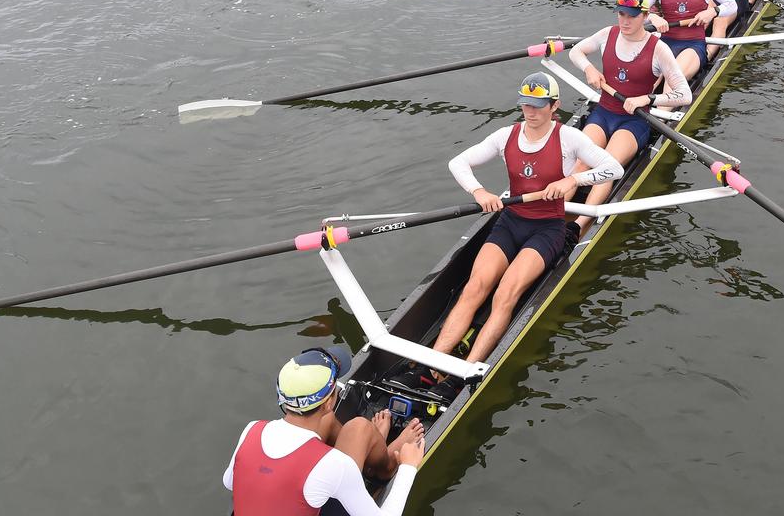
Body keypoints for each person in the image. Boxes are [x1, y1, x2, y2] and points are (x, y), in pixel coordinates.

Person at [392, 72, 624, 401]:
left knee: (505, 293)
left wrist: (575, 181)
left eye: (538, 105)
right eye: (525, 104)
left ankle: (462, 376)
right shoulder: (505, 135)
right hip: (510, 221)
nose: (529, 111)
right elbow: (458, 162)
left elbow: (615, 169)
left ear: (554, 106)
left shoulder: (570, 138)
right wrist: (479, 191)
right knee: (475, 287)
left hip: (549, 228)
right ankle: (430, 370)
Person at [224, 346, 425, 516]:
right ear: (330, 402)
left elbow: (230, 483)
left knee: (350, 426)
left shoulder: (252, 429)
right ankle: (388, 463)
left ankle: (373, 442)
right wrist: (409, 466)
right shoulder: (334, 464)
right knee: (359, 428)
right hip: (329, 473)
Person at [568, 0, 692, 232]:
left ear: (645, 16)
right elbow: (575, 51)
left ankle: (579, 226)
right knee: (581, 163)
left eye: (632, 16)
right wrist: (589, 69)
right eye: (621, 14)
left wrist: (648, 97)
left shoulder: (658, 48)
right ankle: (549, 218)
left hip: (634, 121)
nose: (624, 20)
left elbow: (684, 94)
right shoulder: (608, 34)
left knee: (606, 168)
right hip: (603, 113)